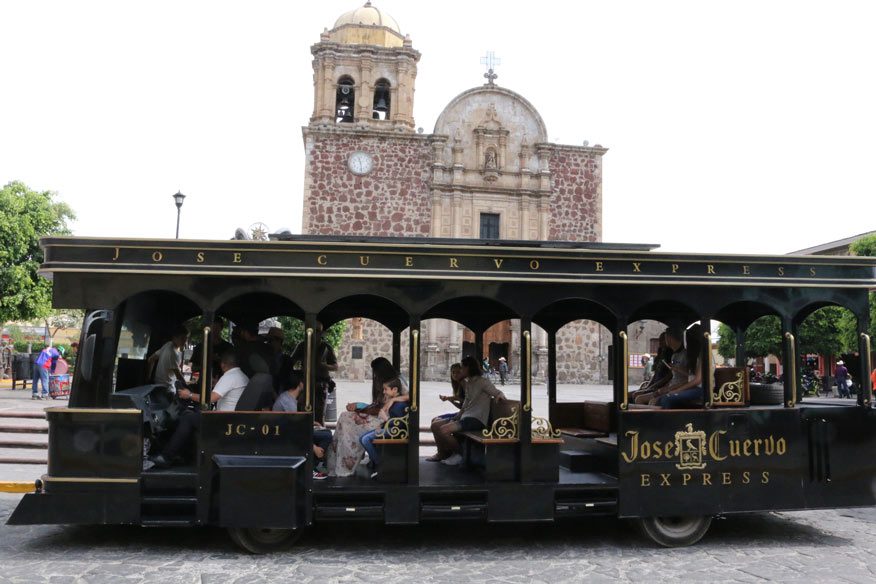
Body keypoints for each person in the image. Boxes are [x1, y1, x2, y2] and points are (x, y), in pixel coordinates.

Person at [151, 352, 248, 467]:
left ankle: (167, 456)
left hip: (223, 421)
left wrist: (189, 395)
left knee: (188, 418)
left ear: (223, 365)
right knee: (190, 414)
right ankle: (182, 455)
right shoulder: (241, 376)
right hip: (230, 420)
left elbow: (211, 399)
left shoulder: (229, 377)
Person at [325, 358, 407, 477]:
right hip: (378, 416)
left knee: (349, 424)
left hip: (385, 420)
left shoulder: (397, 380)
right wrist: (359, 406)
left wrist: (394, 399)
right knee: (344, 416)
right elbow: (377, 405)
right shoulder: (384, 382)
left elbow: (410, 396)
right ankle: (334, 464)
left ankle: (346, 466)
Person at [432, 356, 506, 466]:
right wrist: (458, 415)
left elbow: (498, 392)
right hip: (466, 416)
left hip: (476, 419)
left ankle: (462, 455)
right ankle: (444, 453)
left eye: (462, 367)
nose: (460, 370)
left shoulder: (483, 382)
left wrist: (499, 397)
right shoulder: (469, 383)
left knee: (444, 430)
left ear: (469, 368)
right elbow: (466, 402)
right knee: (435, 425)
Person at [273, 372, 331, 480]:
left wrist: (311, 422)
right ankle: (311, 468)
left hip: (289, 430)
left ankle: (316, 461)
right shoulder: (287, 402)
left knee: (326, 434)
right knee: (324, 437)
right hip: (286, 435)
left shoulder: (288, 397)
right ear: (300, 384)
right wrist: (314, 447)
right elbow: (295, 430)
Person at [359, 377, 409, 479]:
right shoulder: (395, 401)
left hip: (394, 431)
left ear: (394, 390)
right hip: (391, 429)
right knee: (363, 438)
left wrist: (385, 418)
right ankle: (379, 463)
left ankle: (380, 466)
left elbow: (398, 426)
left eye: (386, 389)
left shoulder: (399, 404)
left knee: (365, 439)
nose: (384, 392)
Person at [290, 321, 338, 424]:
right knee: (303, 412)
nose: (314, 333)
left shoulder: (326, 347)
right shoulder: (302, 345)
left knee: (319, 415)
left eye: (317, 331)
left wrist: (324, 365)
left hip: (321, 384)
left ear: (321, 333)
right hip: (305, 384)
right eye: (312, 331)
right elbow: (291, 362)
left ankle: (319, 436)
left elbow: (335, 366)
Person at [649, 326, 704, 409]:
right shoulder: (696, 356)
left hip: (701, 390)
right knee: (659, 398)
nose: (687, 343)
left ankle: (667, 421)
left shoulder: (704, 355)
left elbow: (697, 380)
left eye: (688, 340)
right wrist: (677, 368)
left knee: (666, 399)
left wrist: (677, 390)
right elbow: (691, 376)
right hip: (694, 388)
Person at [426, 363, 464, 461]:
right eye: (453, 372)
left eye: (458, 372)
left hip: (465, 415)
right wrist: (450, 400)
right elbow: (461, 406)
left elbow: (466, 402)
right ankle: (443, 450)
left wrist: (450, 398)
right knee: (434, 419)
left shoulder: (465, 384)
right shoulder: (457, 385)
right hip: (462, 412)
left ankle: (445, 453)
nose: (455, 375)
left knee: (435, 425)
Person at [190, 317, 233, 383]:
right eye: (212, 327)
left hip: (223, 382)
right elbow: (193, 368)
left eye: (217, 327)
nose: (214, 330)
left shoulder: (228, 347)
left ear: (221, 328)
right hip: (203, 383)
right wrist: (206, 362)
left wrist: (219, 359)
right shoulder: (200, 347)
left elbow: (233, 367)